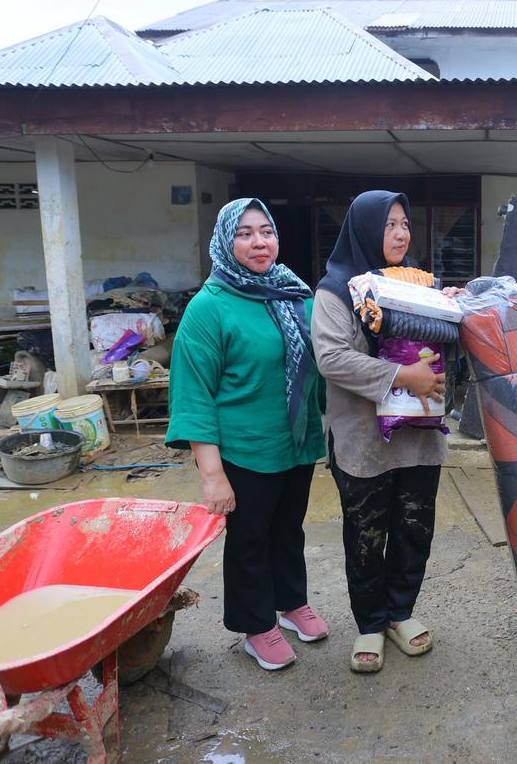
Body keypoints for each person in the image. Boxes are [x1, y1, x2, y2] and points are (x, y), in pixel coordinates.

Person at [166, 198, 329, 671]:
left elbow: (327, 362)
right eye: (245, 234)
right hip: (244, 450)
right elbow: (194, 393)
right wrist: (212, 474)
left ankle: (290, 601)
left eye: (266, 232)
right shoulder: (209, 307)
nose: (259, 242)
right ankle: (256, 626)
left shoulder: (294, 295)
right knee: (250, 540)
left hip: (295, 443)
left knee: (288, 529)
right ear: (225, 242)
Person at [312, 190, 449, 674]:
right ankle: (370, 622)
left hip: (419, 433)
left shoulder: (419, 287)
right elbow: (331, 358)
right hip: (362, 437)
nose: (400, 233)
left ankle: (400, 613)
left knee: (414, 528)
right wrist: (401, 376)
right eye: (389, 224)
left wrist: (453, 309)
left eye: (405, 223)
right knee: (366, 535)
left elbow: (447, 340)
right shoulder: (335, 292)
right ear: (366, 229)